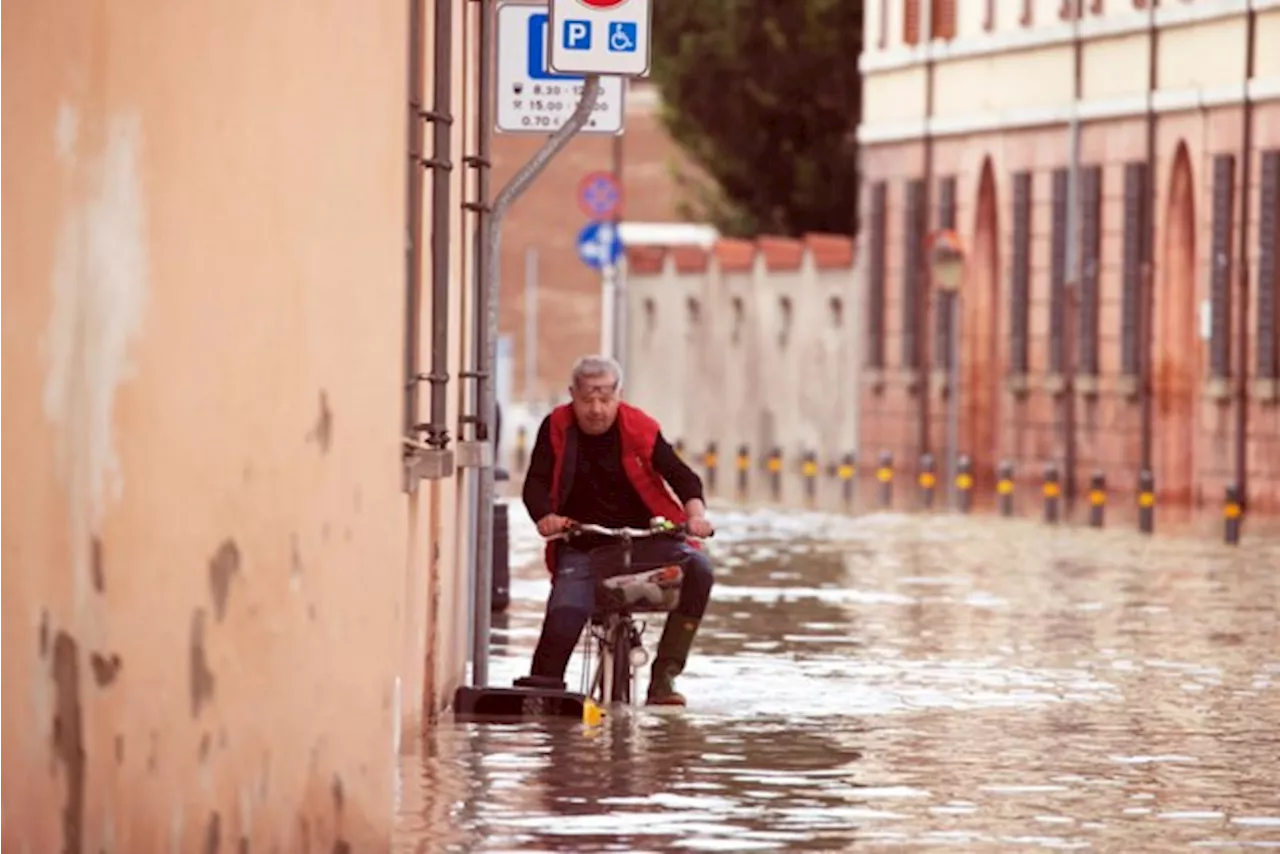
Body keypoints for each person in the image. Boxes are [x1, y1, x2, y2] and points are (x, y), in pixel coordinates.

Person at [519, 355, 715, 706]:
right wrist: (545, 517)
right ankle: (544, 694)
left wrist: (696, 516)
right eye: (587, 399)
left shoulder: (640, 426)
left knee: (699, 569)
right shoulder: (555, 427)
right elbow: (535, 483)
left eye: (605, 399)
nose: (596, 409)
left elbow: (683, 477)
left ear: (618, 396)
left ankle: (664, 677)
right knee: (564, 612)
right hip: (582, 543)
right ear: (572, 396)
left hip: (644, 541)